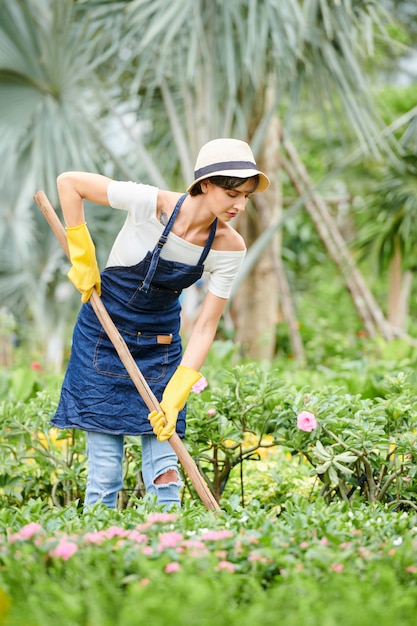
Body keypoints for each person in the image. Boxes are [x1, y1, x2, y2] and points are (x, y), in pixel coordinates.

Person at [51, 138, 270, 510]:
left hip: (161, 347)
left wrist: (179, 388)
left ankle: (169, 553)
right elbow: (69, 183)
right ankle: (95, 553)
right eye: (232, 192)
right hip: (103, 336)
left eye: (247, 196)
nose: (240, 205)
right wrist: (82, 253)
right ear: (204, 185)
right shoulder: (151, 204)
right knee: (105, 474)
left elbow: (205, 325)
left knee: (166, 472)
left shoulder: (230, 247)